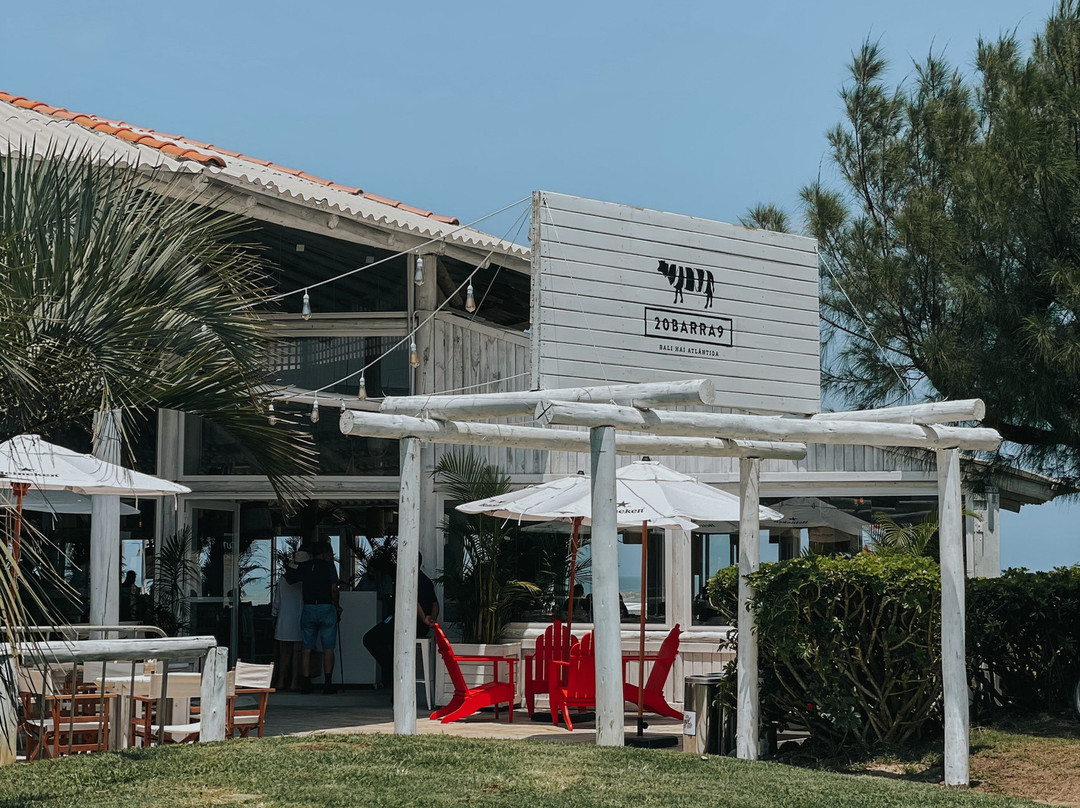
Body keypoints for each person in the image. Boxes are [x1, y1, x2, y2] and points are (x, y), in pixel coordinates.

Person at [362, 553, 439, 689]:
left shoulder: (409, 578)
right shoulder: (426, 580)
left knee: (370, 639)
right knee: (387, 641)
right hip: (420, 626)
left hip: (409, 624)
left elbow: (414, 601)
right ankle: (392, 672)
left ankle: (393, 669)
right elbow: (435, 604)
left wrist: (424, 619)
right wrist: (431, 620)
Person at [287, 542, 341, 695]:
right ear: (324, 554)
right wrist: (337, 605)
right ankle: (328, 684)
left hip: (309, 607)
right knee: (328, 647)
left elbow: (291, 579)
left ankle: (305, 682)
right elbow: (334, 589)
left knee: (307, 647)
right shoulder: (329, 566)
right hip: (326, 607)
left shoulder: (305, 566)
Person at [272, 550, 306, 691]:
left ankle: (281, 680)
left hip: (283, 619)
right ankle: (294, 682)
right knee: (297, 653)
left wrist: (274, 615)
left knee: (284, 652)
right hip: (298, 619)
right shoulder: (304, 581)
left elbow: (277, 601)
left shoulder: (282, 580)